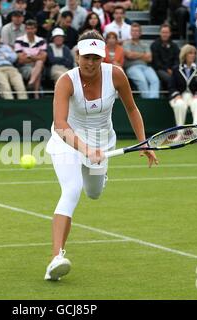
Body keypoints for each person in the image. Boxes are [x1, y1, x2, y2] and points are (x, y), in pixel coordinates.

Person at [44, 30, 158, 281]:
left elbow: (131, 108)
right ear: (77, 56)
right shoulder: (66, 81)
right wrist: (84, 148)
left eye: (96, 57)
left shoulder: (116, 74)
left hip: (102, 143)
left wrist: (144, 141)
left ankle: (100, 176)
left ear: (103, 57)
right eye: (86, 57)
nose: (91, 63)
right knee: (71, 190)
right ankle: (56, 258)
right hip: (67, 140)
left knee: (93, 192)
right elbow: (61, 124)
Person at [169, 44, 197, 144]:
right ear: (184, 55)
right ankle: (179, 135)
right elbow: (172, 86)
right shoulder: (175, 69)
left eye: (194, 53)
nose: (193, 55)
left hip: (193, 96)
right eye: (190, 53)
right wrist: (177, 95)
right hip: (180, 96)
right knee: (179, 104)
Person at [0, 28, 28, 99]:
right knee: (5, 87)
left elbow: (14, 57)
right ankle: (9, 107)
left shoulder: (6, 46)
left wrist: (4, 55)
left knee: (20, 87)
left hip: (11, 68)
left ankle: (25, 106)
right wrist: (4, 55)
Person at [124, 23, 160, 99]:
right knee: (142, 80)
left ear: (140, 33)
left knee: (155, 80)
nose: (135, 32)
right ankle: (147, 102)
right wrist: (143, 55)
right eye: (133, 31)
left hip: (145, 67)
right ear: (130, 32)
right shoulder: (126, 43)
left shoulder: (145, 44)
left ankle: (153, 101)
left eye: (137, 31)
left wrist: (134, 54)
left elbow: (149, 58)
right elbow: (129, 55)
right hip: (132, 67)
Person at [14, 19, 47, 99]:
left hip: (38, 65)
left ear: (35, 29)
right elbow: (21, 59)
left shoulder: (41, 40)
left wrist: (29, 56)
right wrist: (36, 57)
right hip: (24, 66)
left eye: (32, 28)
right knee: (38, 69)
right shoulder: (19, 40)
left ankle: (31, 83)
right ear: (25, 29)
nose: (30, 31)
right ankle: (36, 95)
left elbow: (44, 58)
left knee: (39, 63)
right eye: (28, 28)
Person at [151, 23, 180, 90]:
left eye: (167, 32)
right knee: (170, 78)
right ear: (160, 33)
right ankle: (173, 94)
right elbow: (156, 63)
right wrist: (167, 70)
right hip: (159, 69)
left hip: (173, 69)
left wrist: (173, 69)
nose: (165, 34)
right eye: (163, 32)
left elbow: (177, 60)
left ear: (170, 33)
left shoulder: (174, 46)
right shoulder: (154, 45)